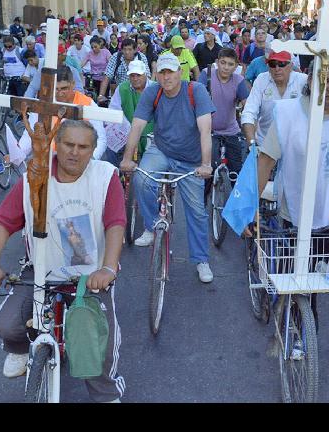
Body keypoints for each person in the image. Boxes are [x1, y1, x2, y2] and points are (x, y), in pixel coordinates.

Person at [0, 119, 125, 402]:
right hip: (42, 270)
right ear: (58, 144)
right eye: (69, 144)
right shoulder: (35, 176)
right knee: (6, 325)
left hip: (90, 275)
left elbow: (115, 223)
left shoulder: (106, 176)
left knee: (97, 343)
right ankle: (21, 347)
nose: (75, 152)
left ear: (93, 150)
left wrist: (108, 267)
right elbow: (2, 222)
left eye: (83, 147)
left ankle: (106, 395)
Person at [249, 56, 329, 367]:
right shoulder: (288, 113)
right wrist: (250, 207)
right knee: (300, 282)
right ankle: (302, 335)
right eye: (323, 81)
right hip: (296, 215)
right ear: (310, 81)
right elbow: (265, 160)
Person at [120, 53, 216, 283]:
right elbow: (137, 126)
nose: (166, 77)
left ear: (179, 72)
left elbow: (205, 130)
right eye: (162, 72)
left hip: (191, 159)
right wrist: (126, 159)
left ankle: (201, 259)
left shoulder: (196, 91)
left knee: (196, 211)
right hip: (161, 150)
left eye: (170, 71)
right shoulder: (153, 92)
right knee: (141, 180)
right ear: (157, 75)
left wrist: (205, 164)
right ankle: (153, 226)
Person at [19, 65, 107, 161]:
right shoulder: (44, 103)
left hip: (77, 161)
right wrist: (18, 154)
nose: (60, 93)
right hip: (47, 160)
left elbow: (100, 138)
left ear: (73, 84)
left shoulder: (87, 104)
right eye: (56, 89)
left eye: (64, 88)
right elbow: (29, 135)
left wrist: (90, 159)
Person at [196, 48, 250, 191]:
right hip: (209, 131)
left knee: (236, 172)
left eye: (230, 64)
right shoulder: (205, 75)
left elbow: (247, 105)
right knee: (208, 170)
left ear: (236, 66)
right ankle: (203, 206)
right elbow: (195, 99)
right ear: (217, 62)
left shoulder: (238, 80)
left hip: (231, 130)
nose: (226, 67)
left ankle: (236, 206)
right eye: (223, 63)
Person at [241, 50, 308, 146]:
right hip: (265, 144)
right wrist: (252, 145)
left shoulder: (303, 80)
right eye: (273, 64)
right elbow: (249, 112)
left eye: (282, 64)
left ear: (291, 66)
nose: (277, 68)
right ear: (268, 67)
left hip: (295, 145)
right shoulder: (261, 80)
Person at [103, 60, 152, 166]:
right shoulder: (122, 88)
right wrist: (128, 130)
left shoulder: (155, 88)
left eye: (138, 75)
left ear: (145, 74)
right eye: (132, 75)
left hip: (151, 136)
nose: (135, 78)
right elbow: (113, 112)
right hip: (126, 133)